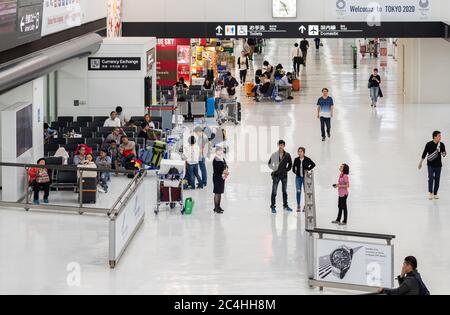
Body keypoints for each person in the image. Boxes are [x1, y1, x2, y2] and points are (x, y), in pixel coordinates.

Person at [419, 131, 447, 200]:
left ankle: (435, 193)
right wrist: (420, 163)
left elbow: (443, 154)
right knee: (430, 178)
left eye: (440, 136)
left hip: (438, 165)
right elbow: (424, 153)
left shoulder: (442, 144)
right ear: (435, 136)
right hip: (430, 165)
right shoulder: (429, 144)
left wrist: (444, 153)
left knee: (437, 179)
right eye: (439, 136)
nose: (440, 137)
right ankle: (430, 193)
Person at [268, 140, 293, 214]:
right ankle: (273, 206)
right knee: (274, 191)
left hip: (284, 176)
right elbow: (269, 163)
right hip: (276, 176)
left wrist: (286, 170)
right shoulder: (274, 154)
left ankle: (285, 206)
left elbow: (290, 163)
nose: (281, 146)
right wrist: (274, 169)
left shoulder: (287, 155)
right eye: (280, 145)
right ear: (278, 145)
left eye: (282, 145)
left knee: (284, 191)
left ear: (284, 146)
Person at [292, 147, 316, 212]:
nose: (299, 153)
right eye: (298, 151)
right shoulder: (296, 159)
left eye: (301, 151)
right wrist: (296, 172)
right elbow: (293, 168)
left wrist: (308, 169)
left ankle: (305, 205)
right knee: (298, 191)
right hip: (298, 178)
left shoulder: (307, 159)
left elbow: (313, 164)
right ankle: (298, 205)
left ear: (303, 152)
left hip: (305, 178)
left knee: (306, 192)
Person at [213, 147, 229, 214]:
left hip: (221, 177)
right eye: (219, 151)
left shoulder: (221, 158)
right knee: (217, 193)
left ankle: (218, 206)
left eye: (221, 151)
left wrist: (226, 169)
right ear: (216, 151)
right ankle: (216, 208)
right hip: (217, 177)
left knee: (220, 193)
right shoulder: (216, 159)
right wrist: (224, 171)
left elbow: (225, 165)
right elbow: (219, 169)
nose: (221, 152)